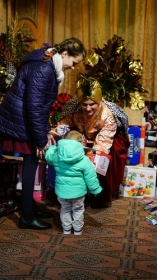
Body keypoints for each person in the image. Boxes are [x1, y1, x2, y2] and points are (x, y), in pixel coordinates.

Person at [0, 38, 86, 230]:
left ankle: (30, 206)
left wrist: (44, 131)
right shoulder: (44, 69)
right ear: (64, 54)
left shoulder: (47, 64)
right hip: (21, 121)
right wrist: (40, 140)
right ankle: (27, 217)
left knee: (32, 163)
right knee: (31, 163)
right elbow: (34, 107)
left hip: (24, 119)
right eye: (74, 62)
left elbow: (37, 105)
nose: (73, 68)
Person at [57, 75, 130, 209]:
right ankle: (71, 193)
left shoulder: (108, 115)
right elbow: (64, 125)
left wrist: (89, 163)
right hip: (82, 136)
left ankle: (100, 196)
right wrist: (58, 133)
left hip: (106, 140)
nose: (88, 108)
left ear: (99, 102)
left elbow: (103, 143)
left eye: (92, 104)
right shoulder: (73, 108)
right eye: (84, 104)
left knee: (106, 160)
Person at [45, 130, 103, 235]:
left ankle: (66, 229)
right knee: (78, 210)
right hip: (78, 193)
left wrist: (52, 148)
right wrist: (95, 189)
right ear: (80, 144)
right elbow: (91, 176)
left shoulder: (57, 156)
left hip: (62, 192)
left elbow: (48, 157)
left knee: (65, 209)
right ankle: (77, 230)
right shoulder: (84, 160)